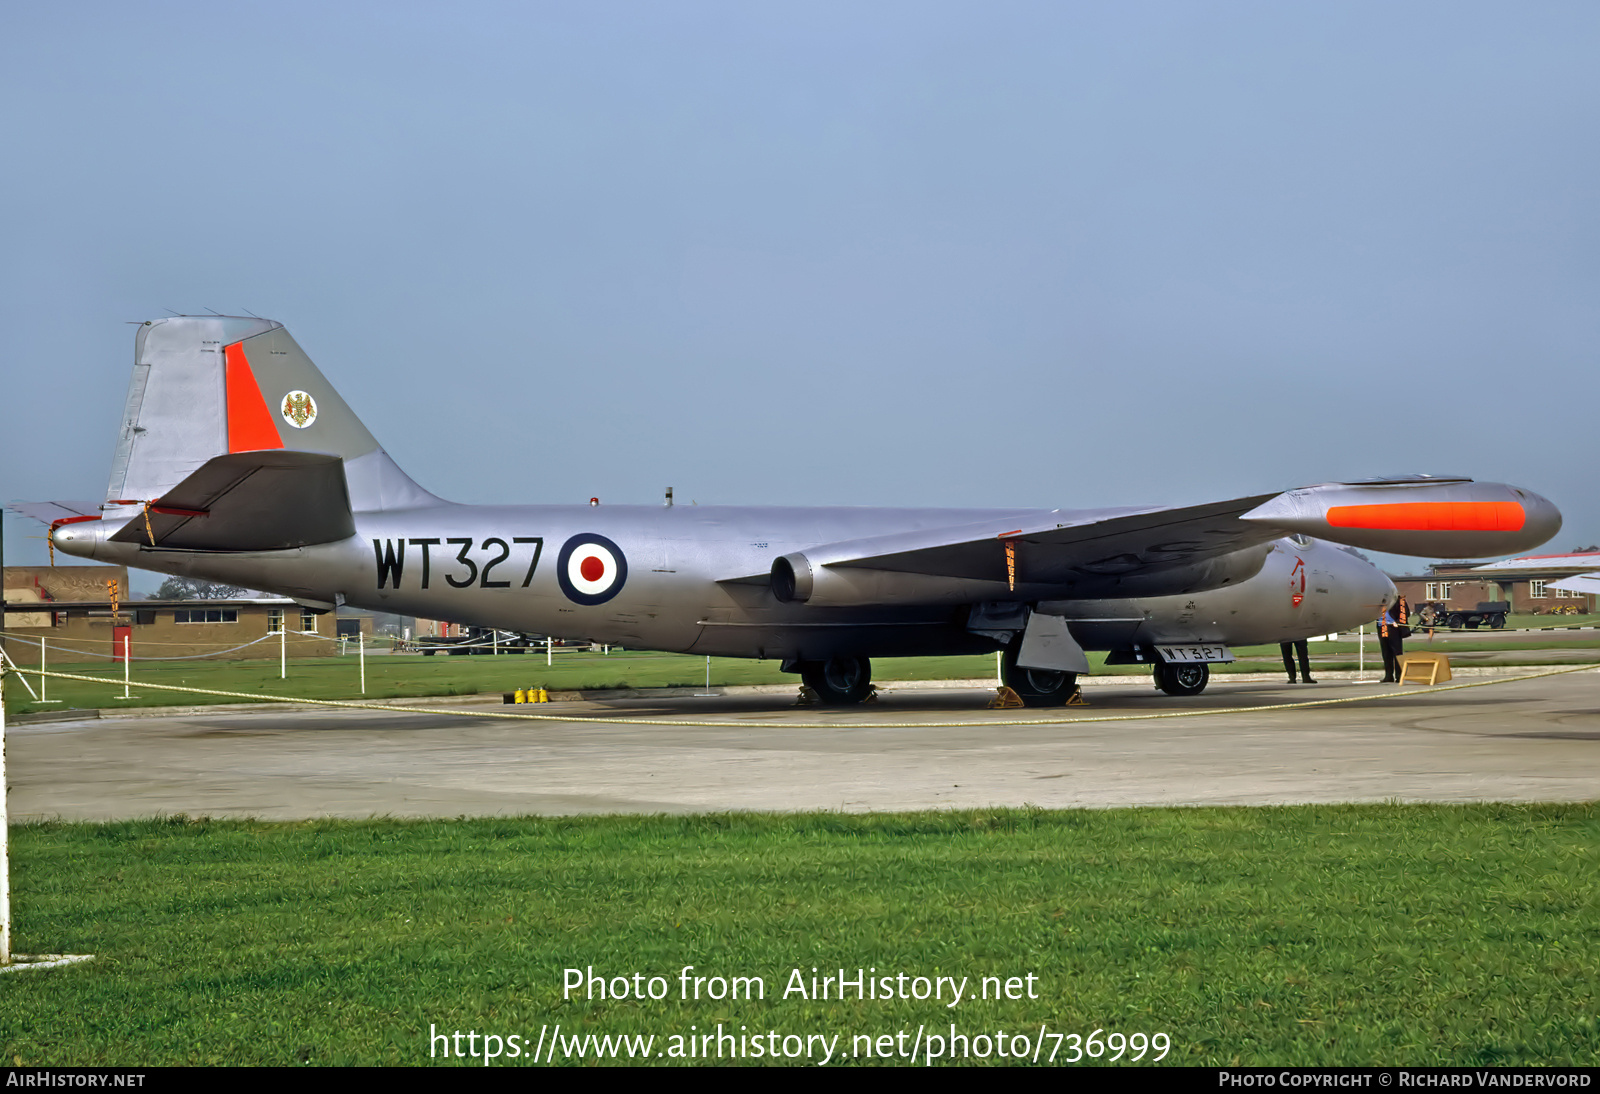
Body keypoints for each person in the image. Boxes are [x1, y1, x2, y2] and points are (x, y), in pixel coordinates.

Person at [1378, 594, 1410, 682]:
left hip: (1393, 627)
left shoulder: (1397, 600)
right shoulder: (1378, 600)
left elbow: (1405, 612)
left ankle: (1399, 675)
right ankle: (1388, 675)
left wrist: (1397, 622)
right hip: (1381, 627)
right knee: (1386, 652)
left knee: (1397, 652)